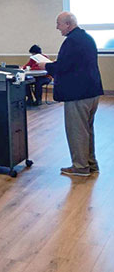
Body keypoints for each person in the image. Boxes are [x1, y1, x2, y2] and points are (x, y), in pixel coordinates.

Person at [37, 12, 103, 176]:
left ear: (68, 24)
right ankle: (90, 163)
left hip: (78, 94)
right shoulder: (86, 38)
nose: (57, 27)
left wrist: (46, 65)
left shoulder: (72, 42)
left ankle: (80, 167)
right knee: (87, 129)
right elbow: (74, 64)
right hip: (92, 92)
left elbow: (63, 67)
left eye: (58, 23)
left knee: (77, 131)